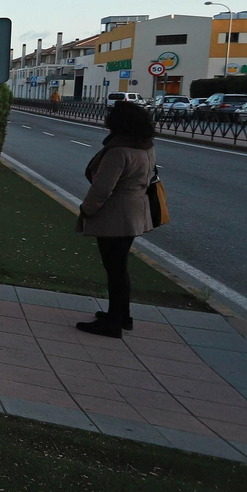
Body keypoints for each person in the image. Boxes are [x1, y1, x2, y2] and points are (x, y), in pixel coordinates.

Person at [74, 101, 156, 338]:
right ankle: (122, 315)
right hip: (135, 211)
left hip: (115, 214)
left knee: (115, 269)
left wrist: (87, 210)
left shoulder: (118, 150)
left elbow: (102, 188)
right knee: (120, 267)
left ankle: (113, 323)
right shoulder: (146, 146)